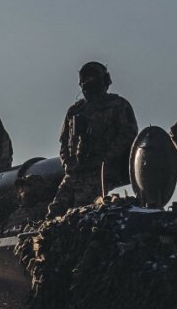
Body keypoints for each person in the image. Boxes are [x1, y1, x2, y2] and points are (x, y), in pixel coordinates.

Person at [48, 61, 138, 216]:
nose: (88, 83)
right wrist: (68, 163)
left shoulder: (117, 105)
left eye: (92, 78)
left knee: (82, 213)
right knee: (55, 212)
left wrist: (107, 157)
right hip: (75, 171)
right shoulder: (75, 111)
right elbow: (64, 141)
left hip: (100, 171)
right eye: (85, 80)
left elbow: (128, 134)